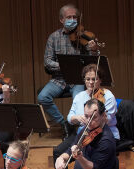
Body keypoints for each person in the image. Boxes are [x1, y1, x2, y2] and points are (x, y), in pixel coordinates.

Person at [38, 4, 97, 137]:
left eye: (74, 17)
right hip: (58, 79)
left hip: (77, 79)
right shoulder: (53, 37)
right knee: (42, 97)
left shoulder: (83, 37)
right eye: (68, 17)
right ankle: (64, 124)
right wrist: (64, 65)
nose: (72, 20)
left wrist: (93, 50)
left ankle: (79, 130)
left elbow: (92, 62)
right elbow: (47, 61)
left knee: (79, 99)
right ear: (62, 20)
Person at [53, 63, 119, 169]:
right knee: (58, 151)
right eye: (87, 79)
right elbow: (69, 118)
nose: (90, 82)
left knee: (87, 152)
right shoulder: (79, 96)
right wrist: (77, 118)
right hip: (83, 134)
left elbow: (107, 119)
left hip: (103, 134)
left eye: (94, 79)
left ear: (100, 80)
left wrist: (96, 116)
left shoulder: (107, 96)